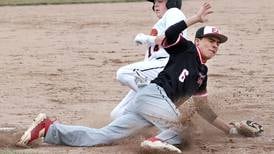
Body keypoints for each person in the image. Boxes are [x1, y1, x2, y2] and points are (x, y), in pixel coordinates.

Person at [16, 2, 240, 153]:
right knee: (185, 128)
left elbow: (203, 108)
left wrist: (230, 129)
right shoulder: (187, 49)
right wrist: (195, 19)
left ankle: (50, 129)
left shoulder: (202, 73)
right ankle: (156, 141)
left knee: (104, 136)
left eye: (218, 42)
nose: (215, 45)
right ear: (198, 41)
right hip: (153, 96)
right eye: (210, 40)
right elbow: (170, 35)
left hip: (150, 108)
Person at [111, 0, 188, 119]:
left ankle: (160, 105)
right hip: (156, 69)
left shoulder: (174, 12)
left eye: (160, 1)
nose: (156, 4)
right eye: (155, 2)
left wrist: (147, 38)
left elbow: (173, 37)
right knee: (117, 114)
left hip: (168, 64)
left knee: (123, 73)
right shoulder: (162, 21)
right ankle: (154, 123)